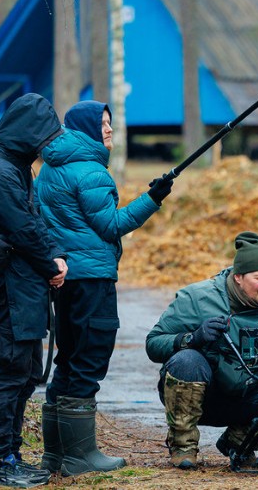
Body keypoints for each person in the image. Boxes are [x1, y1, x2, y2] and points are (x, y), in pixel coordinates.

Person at [33, 100, 174, 476]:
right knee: (89, 359)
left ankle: (56, 455)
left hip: (65, 279)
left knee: (68, 358)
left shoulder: (50, 167)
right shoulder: (89, 170)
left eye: (110, 123)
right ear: (85, 128)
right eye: (103, 124)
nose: (109, 130)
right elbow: (111, 225)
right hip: (92, 279)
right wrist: (153, 199)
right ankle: (81, 456)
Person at [0, 93, 68, 489]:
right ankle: (1, 462)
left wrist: (55, 257)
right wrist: (50, 264)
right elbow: (20, 227)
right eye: (43, 137)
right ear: (27, 132)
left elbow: (34, 220)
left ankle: (12, 456)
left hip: (25, 281)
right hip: (10, 285)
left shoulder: (14, 164)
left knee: (25, 372)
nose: (46, 145)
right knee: (11, 369)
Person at [145, 232, 258, 469]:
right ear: (238, 277)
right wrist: (192, 338)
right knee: (186, 360)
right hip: (204, 395)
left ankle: (239, 441)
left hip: (251, 398)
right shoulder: (196, 298)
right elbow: (153, 344)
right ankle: (183, 445)